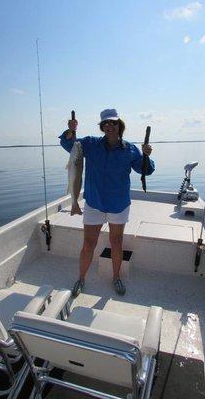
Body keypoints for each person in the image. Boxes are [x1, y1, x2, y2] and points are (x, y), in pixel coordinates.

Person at [59, 109, 155, 297]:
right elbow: (69, 144)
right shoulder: (90, 143)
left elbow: (146, 170)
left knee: (116, 242)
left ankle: (116, 277)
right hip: (94, 203)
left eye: (114, 123)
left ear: (120, 125)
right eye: (106, 124)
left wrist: (146, 155)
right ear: (102, 127)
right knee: (88, 243)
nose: (110, 126)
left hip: (118, 204)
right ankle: (81, 278)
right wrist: (70, 131)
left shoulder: (130, 149)